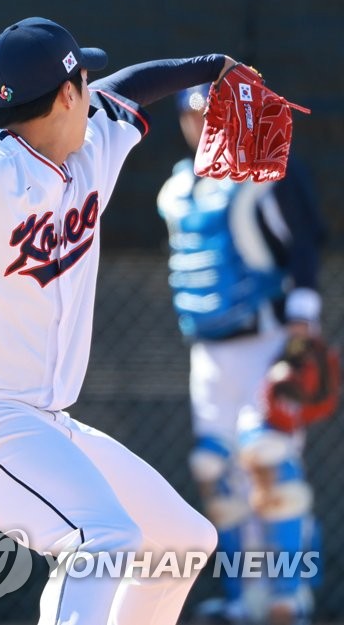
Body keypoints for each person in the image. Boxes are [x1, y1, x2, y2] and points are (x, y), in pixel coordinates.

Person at [0, 16, 248, 624]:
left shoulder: (94, 143)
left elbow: (135, 85)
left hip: (43, 421)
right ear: (65, 95)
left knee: (180, 542)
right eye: (86, 78)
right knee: (101, 540)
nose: (95, 89)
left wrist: (215, 66)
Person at [156, 85, 326, 625]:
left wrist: (302, 331)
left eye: (214, 116)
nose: (202, 125)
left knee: (269, 458)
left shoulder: (267, 173)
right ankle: (241, 600)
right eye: (193, 115)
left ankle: (286, 598)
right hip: (208, 351)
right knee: (214, 466)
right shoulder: (177, 189)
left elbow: (304, 244)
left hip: (267, 342)